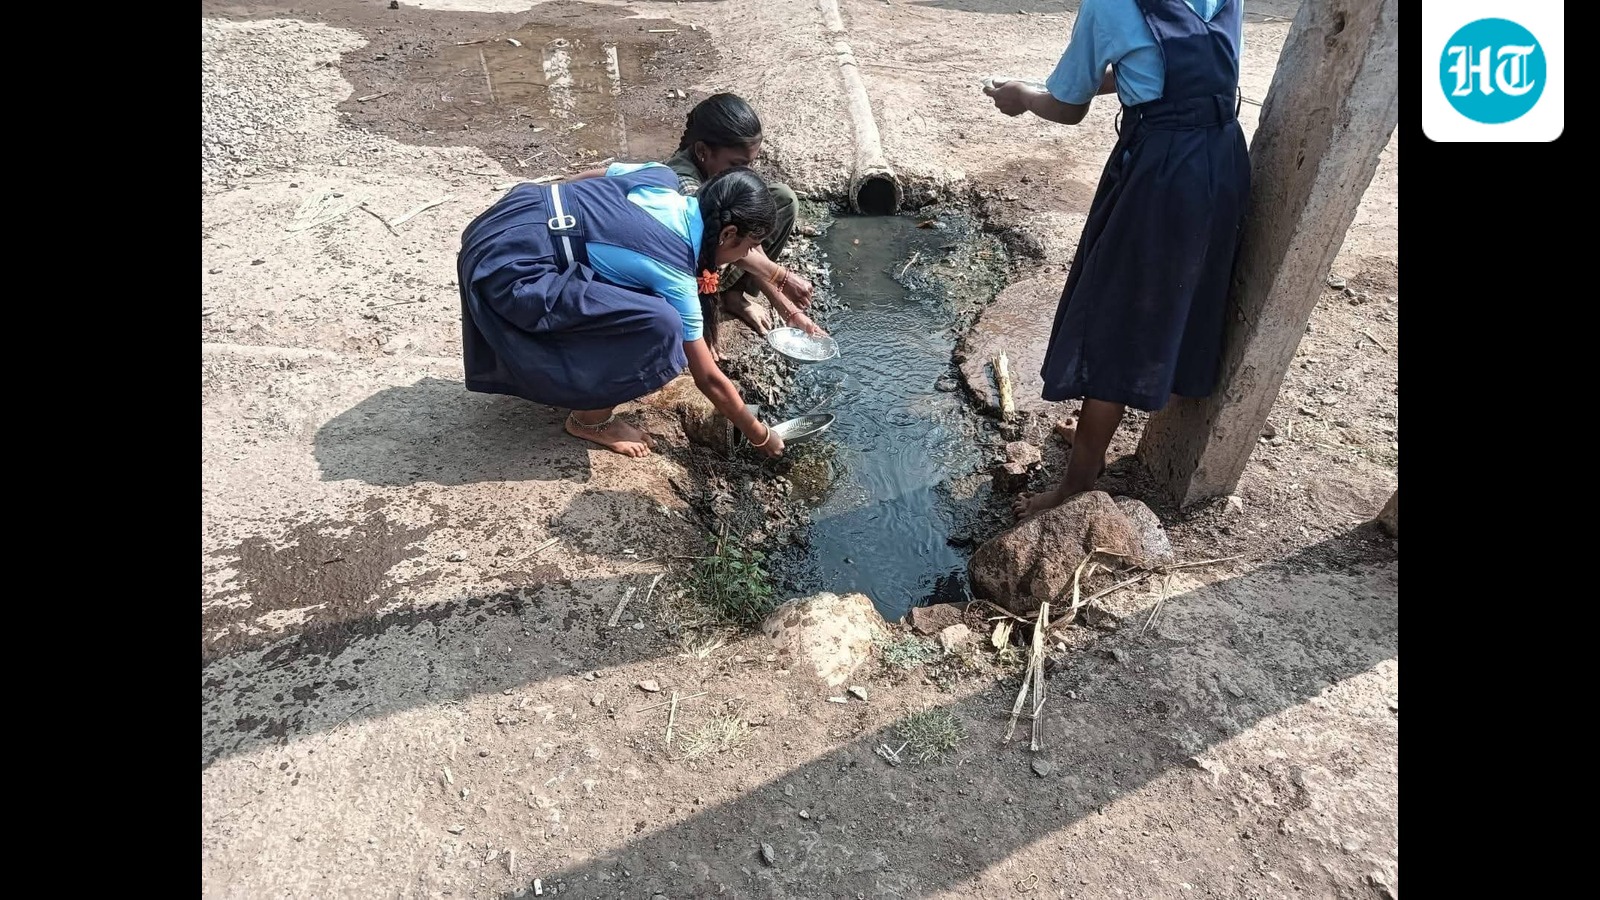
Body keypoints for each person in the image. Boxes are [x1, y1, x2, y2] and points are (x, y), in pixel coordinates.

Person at [984, 0, 1251, 520]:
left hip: (1162, 173)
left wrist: (1024, 97)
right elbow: (1164, 68)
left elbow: (1068, 106)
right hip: (1221, 161)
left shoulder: (1108, 4)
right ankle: (1094, 434)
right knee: (1176, 301)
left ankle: (1078, 485)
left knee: (1115, 319)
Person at [456, 162, 788, 459]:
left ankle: (586, 377)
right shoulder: (674, 272)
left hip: (512, 215)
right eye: (747, 247)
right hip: (510, 268)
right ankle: (591, 421)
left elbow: (590, 176)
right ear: (728, 234)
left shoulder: (661, 177)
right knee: (663, 326)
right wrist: (760, 435)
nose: (746, 254)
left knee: (633, 297)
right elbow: (709, 379)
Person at [665, 93, 821, 341]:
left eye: (750, 164)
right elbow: (732, 244)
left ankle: (733, 295)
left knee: (782, 199)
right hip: (687, 269)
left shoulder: (717, 169)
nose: (745, 172)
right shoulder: (684, 185)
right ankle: (706, 306)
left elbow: (747, 240)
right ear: (703, 152)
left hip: (722, 247)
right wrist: (782, 277)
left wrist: (789, 311)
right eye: (738, 164)